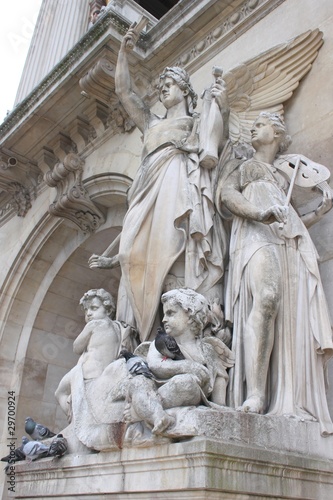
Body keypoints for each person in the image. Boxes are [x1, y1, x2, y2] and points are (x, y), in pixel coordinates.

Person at [88, 24, 229, 342]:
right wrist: (124, 53)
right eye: (161, 85)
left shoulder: (193, 121)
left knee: (173, 248)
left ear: (185, 89)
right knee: (129, 255)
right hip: (144, 192)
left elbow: (212, 141)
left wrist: (220, 102)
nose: (163, 88)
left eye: (169, 84)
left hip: (175, 187)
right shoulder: (151, 122)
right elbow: (124, 93)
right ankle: (138, 331)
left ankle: (171, 331)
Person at [217, 112, 333, 435]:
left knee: (284, 314)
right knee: (266, 298)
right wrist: (260, 213)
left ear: (277, 132)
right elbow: (228, 195)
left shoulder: (283, 178)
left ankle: (282, 396)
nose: (253, 128)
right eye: (252, 125)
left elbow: (290, 224)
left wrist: (317, 212)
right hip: (254, 233)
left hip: (283, 244)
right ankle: (255, 393)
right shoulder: (244, 165)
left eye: (260, 124)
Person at [123, 288, 234, 437]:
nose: (163, 320)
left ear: (190, 316)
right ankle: (157, 416)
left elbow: (220, 377)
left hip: (185, 390)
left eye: (170, 313)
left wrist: (220, 406)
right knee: (138, 383)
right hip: (159, 388)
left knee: (186, 383)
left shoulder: (207, 350)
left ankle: (142, 409)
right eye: (164, 314)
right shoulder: (158, 344)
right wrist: (188, 366)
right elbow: (156, 365)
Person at [55, 289, 130, 450]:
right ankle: (75, 413)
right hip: (103, 374)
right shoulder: (118, 328)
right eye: (87, 310)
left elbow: (76, 347)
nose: (89, 314)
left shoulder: (95, 324)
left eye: (94, 308)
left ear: (108, 310)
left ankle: (73, 416)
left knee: (59, 392)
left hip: (87, 373)